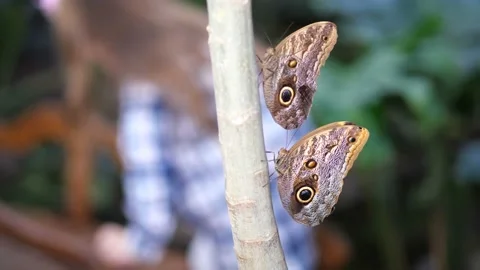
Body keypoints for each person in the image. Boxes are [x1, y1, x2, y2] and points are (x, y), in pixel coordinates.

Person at [36, 0, 319, 269]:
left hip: (239, 248)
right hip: (292, 235)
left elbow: (152, 204)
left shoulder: (144, 85)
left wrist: (134, 245)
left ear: (96, 41)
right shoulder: (196, 36)